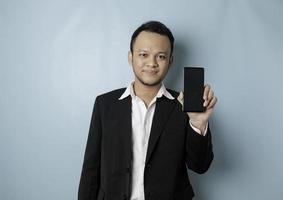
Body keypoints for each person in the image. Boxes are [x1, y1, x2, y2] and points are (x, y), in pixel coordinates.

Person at [78, 21, 217, 200]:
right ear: (131, 57)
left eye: (161, 56)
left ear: (170, 61)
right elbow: (91, 170)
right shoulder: (105, 104)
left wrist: (198, 124)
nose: (151, 63)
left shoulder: (183, 106)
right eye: (143, 54)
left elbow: (200, 166)